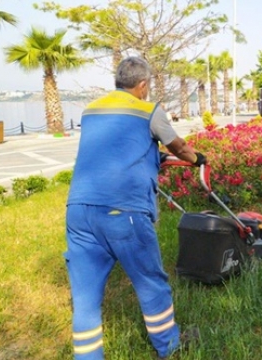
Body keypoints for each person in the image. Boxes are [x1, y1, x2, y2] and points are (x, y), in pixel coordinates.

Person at [65, 56, 206, 359]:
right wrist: (197, 159)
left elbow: (115, 148)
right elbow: (177, 146)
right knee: (150, 281)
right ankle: (169, 345)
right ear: (142, 85)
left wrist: (150, 159)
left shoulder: (91, 111)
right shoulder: (148, 110)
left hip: (78, 210)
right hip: (122, 213)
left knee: (86, 297)